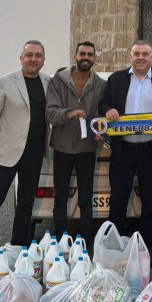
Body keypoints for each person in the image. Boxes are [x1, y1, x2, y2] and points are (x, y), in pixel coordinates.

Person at [98, 40, 152, 267]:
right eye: (136, 54)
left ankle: (148, 247)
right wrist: (108, 109)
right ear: (130, 56)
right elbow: (103, 103)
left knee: (150, 201)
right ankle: (115, 247)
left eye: (145, 54)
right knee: (118, 200)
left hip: (151, 150)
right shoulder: (116, 79)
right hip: (123, 150)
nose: (141, 57)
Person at [0, 40, 51, 251]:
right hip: (5, 154)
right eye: (29, 55)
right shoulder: (4, 82)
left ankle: (18, 248)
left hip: (34, 155)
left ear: (43, 60)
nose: (33, 59)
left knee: (26, 205)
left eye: (38, 56)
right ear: (21, 58)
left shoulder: (48, 82)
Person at [45, 40, 106, 247]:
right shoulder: (57, 81)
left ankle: (86, 242)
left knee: (86, 198)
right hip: (62, 148)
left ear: (94, 58)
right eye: (82, 54)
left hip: (87, 149)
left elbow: (102, 115)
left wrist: (100, 131)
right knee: (60, 198)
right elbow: (50, 113)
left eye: (90, 54)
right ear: (75, 56)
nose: (86, 58)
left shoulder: (100, 85)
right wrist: (69, 113)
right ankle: (60, 241)